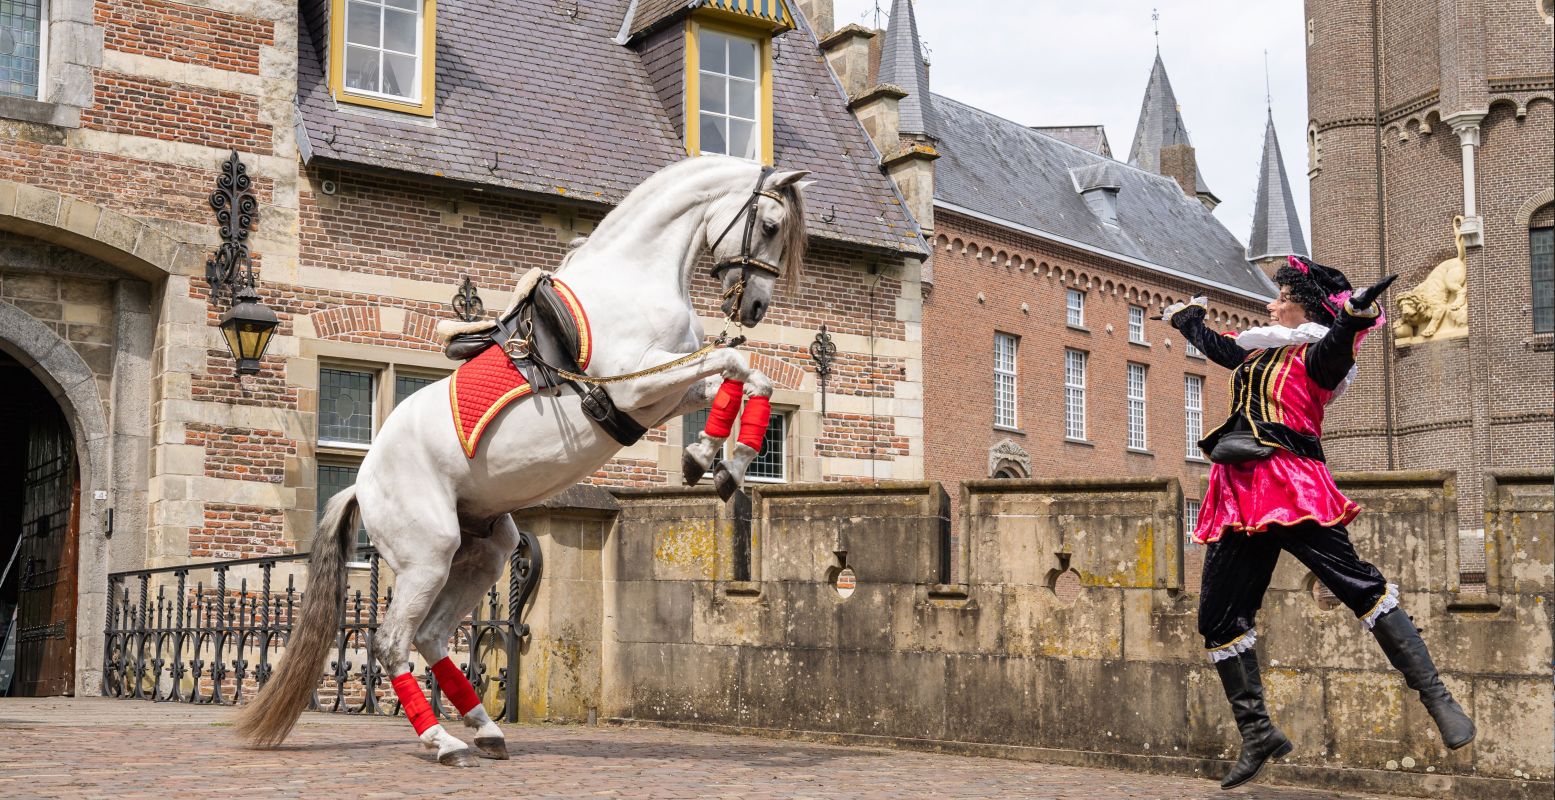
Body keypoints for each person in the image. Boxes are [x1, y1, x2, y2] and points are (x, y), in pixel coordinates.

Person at [1162, 256, 1474, 790]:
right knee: (1216, 618)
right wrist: (1188, 321)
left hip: (1291, 487)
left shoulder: (1317, 356)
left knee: (1360, 587)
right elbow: (1223, 349)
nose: (1270, 303)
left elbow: (1336, 348)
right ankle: (1258, 733)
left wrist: (1352, 316)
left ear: (1302, 306)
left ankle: (1438, 699)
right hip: (1239, 495)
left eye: (1279, 297)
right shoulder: (1260, 352)